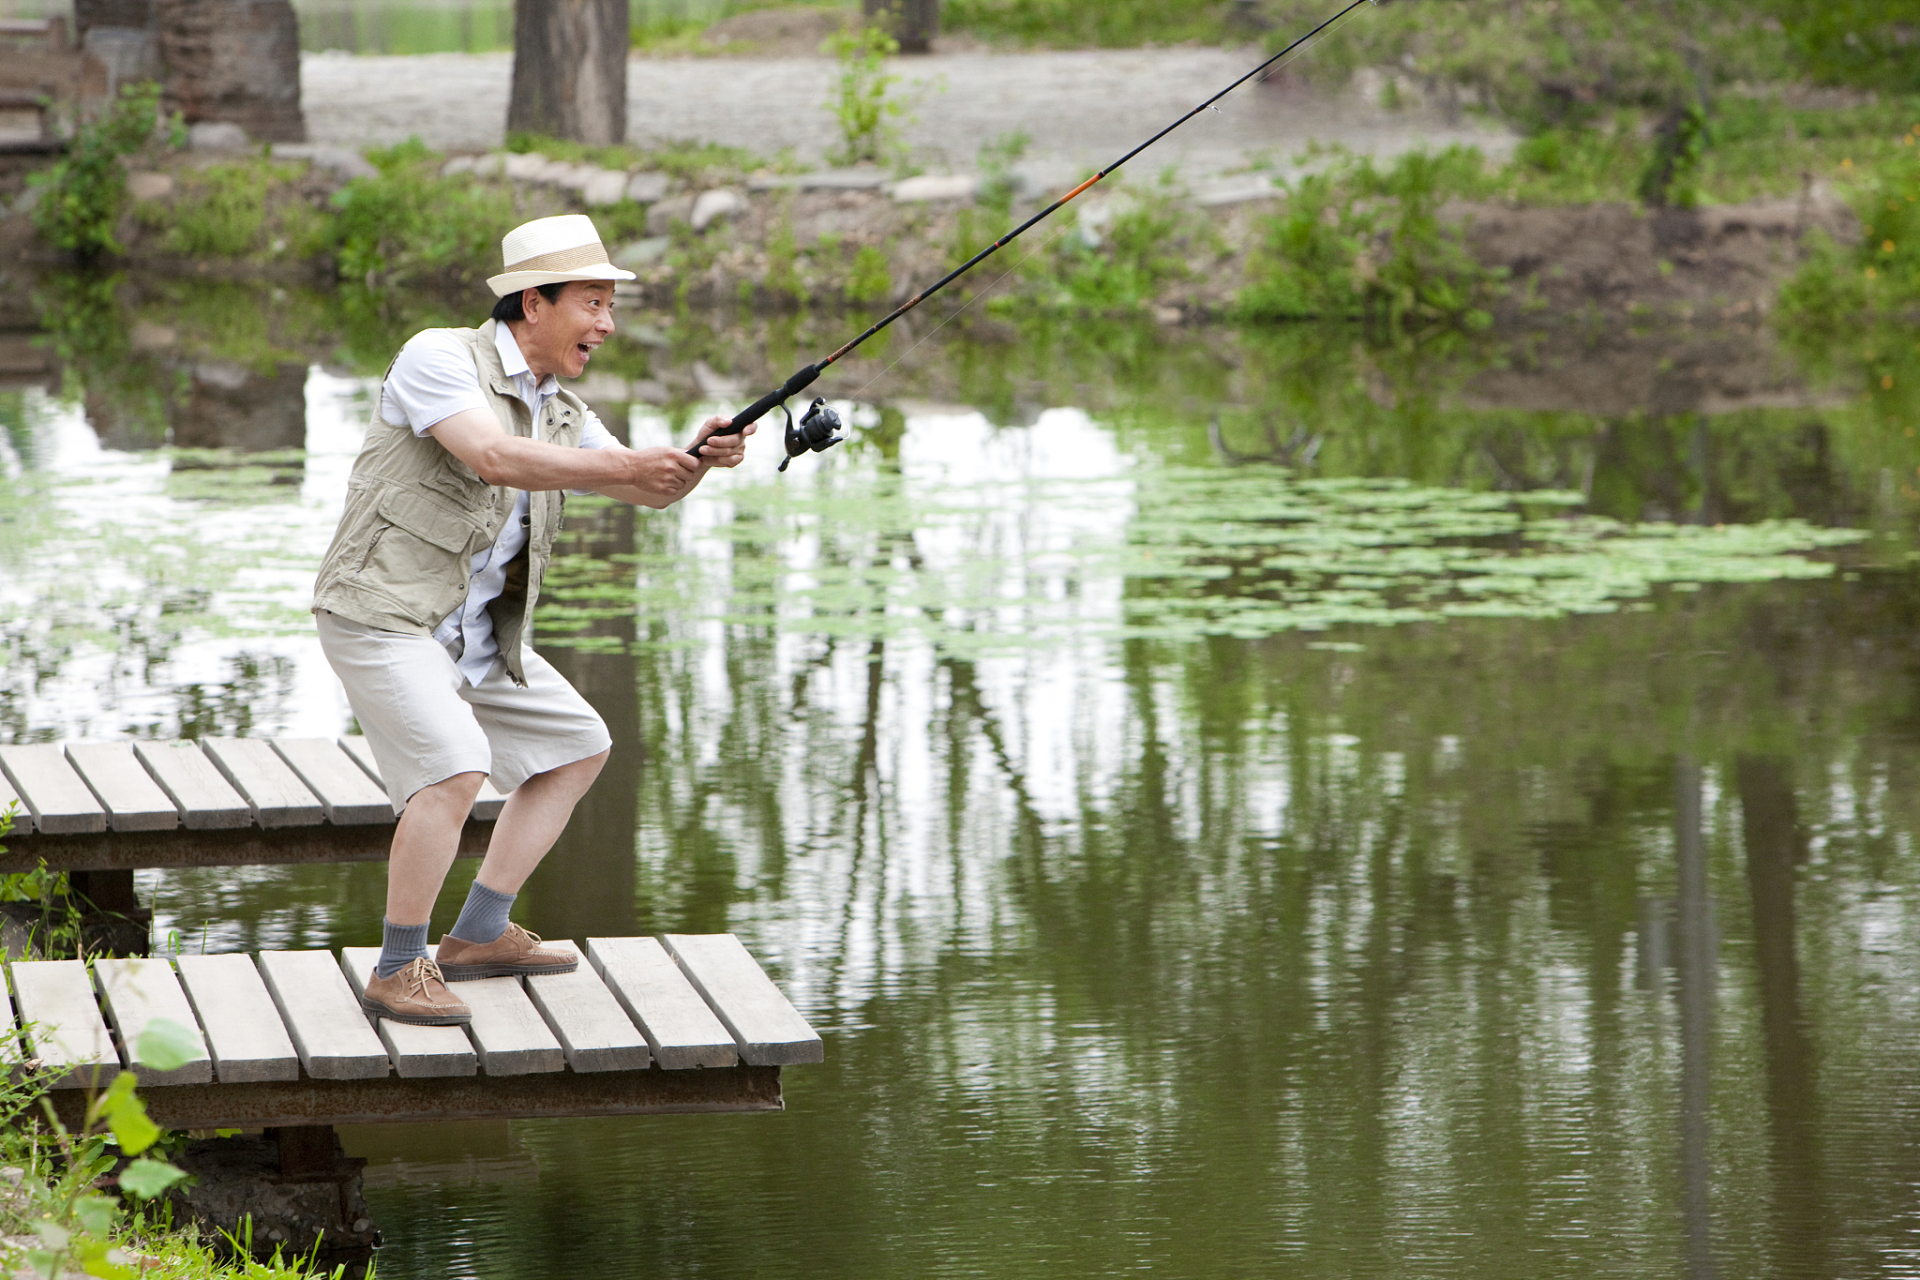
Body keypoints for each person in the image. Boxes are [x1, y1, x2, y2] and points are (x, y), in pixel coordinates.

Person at [311, 214, 753, 1026]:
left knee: (577, 746)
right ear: (534, 303)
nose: (607, 325)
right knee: (454, 767)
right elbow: (493, 456)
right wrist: (626, 463)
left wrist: (697, 459)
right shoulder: (439, 357)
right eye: (593, 302)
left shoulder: (562, 411)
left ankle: (477, 936)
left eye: (609, 306)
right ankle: (397, 966)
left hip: (474, 634)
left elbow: (643, 487)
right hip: (383, 616)